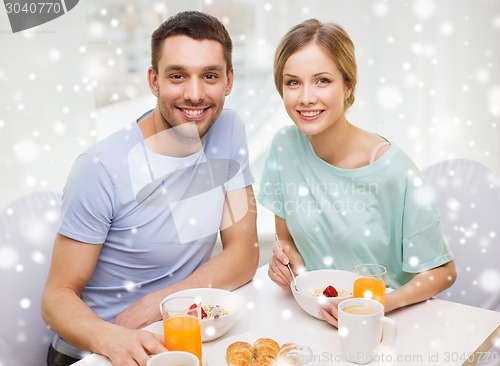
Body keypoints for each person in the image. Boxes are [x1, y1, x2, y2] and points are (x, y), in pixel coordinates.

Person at [42, 11, 258, 366]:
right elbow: (56, 298)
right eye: (177, 76)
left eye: (209, 76)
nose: (195, 94)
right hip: (94, 352)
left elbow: (244, 255)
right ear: (153, 80)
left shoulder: (227, 128)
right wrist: (112, 337)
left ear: (229, 80)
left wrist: (158, 304)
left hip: (175, 335)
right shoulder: (100, 168)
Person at [257, 19, 457, 327]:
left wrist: (380, 304)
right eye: (293, 82)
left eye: (322, 80)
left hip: (383, 324)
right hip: (312, 318)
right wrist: (288, 267)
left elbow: (444, 272)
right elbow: (287, 242)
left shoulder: (393, 169)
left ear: (348, 85)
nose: (306, 97)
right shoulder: (284, 147)